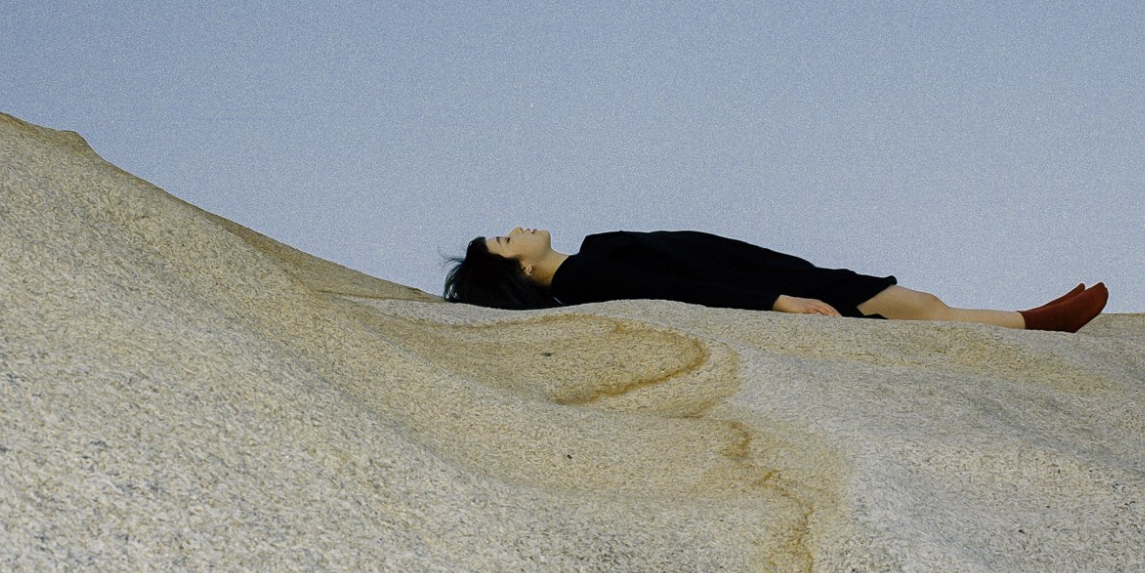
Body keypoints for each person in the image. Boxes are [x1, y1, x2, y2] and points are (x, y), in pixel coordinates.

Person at [443, 227, 1108, 332]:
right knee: (923, 309)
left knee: (917, 304)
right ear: (516, 266)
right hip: (767, 284)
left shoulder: (589, 258)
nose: (517, 227)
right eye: (506, 239)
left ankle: (1036, 319)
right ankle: (1039, 324)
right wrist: (776, 301)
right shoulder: (587, 275)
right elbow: (682, 293)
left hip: (767, 273)